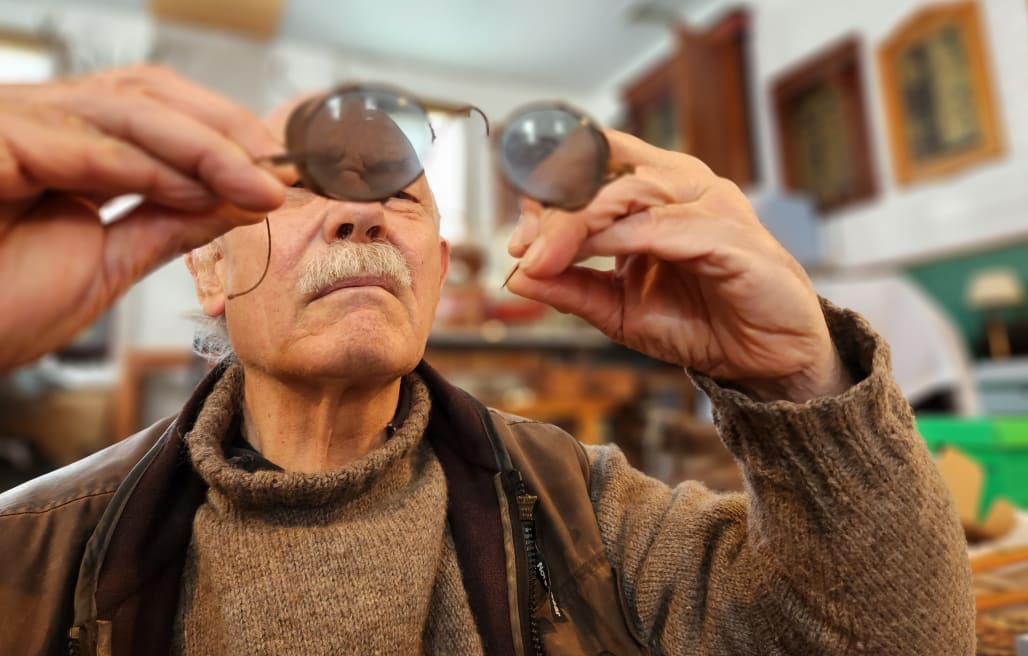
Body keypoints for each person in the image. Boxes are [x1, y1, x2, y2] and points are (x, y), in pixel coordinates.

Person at [0, 66, 973, 656]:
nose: (362, 209)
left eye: (403, 194)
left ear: (433, 266)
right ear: (207, 267)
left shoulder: (587, 518)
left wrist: (802, 382)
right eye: (299, 183)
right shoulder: (35, 551)